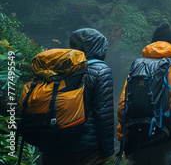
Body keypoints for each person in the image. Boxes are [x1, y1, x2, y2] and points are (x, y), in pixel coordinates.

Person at [117, 22, 171, 165]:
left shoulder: (137, 67)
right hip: (169, 142)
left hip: (139, 140)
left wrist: (125, 139)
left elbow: (123, 107)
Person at [40, 28, 115, 165]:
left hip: (52, 143)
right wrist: (108, 151)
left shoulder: (58, 66)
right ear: (99, 46)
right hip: (84, 150)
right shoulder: (101, 70)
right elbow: (103, 114)